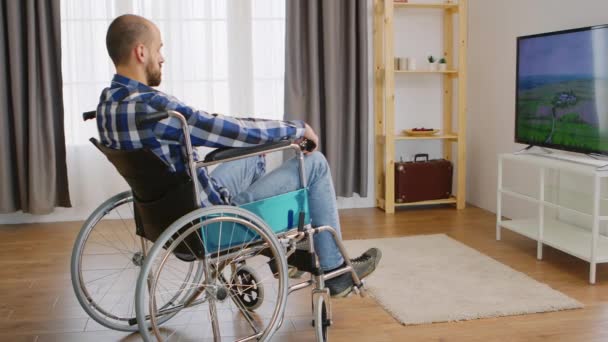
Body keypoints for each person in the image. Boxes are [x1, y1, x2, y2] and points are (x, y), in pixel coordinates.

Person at [99, 14, 381, 297]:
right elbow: (226, 129)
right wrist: (295, 129)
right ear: (141, 52)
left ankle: (278, 251)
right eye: (159, 49)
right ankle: (334, 272)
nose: (162, 58)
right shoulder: (155, 108)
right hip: (212, 226)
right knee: (315, 164)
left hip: (166, 221)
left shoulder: (107, 105)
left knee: (250, 156)